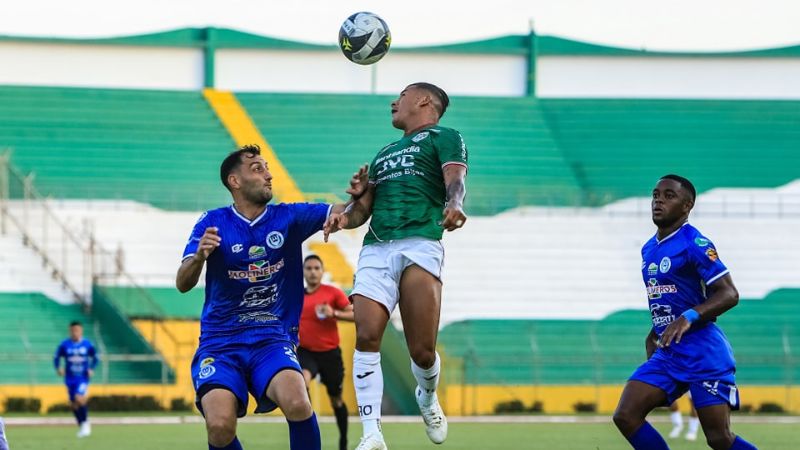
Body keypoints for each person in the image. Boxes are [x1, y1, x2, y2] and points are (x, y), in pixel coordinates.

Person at [176, 145, 366, 450]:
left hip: (271, 338)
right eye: (257, 168)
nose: (268, 174)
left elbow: (348, 216)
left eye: (267, 167)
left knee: (298, 401)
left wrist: (360, 199)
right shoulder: (212, 222)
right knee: (220, 426)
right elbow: (183, 282)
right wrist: (199, 257)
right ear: (234, 181)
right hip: (221, 342)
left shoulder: (289, 217)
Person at [324, 82, 468, 450]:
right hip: (377, 249)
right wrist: (347, 212)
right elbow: (360, 213)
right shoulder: (384, 153)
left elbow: (456, 179)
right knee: (367, 333)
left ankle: (427, 395)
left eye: (401, 96)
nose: (394, 101)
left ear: (423, 100)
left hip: (421, 242)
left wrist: (455, 204)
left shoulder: (444, 136)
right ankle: (372, 434)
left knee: (421, 351)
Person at [613, 175, 757, 450]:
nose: (658, 201)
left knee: (719, 439)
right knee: (626, 416)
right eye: (656, 195)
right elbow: (669, 296)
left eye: (669, 196)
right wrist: (654, 332)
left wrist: (688, 317)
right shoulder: (649, 249)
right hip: (669, 351)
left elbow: (729, 293)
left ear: (687, 205)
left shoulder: (695, 243)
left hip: (704, 354)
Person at [298, 254, 354, 450]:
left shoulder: (333, 293)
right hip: (305, 352)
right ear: (303, 272)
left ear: (322, 271)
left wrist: (334, 313)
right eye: (309, 268)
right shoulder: (296, 295)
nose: (312, 272)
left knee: (336, 400)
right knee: (301, 383)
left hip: (330, 353)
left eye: (316, 268)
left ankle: (343, 441)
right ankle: (307, 424)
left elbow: (355, 314)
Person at [53, 321, 98, 438]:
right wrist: (58, 368)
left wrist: (92, 368)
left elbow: (95, 357)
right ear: (70, 331)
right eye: (73, 330)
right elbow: (56, 357)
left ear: (81, 331)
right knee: (73, 404)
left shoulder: (87, 344)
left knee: (79, 398)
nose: (75, 332)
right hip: (69, 378)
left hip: (82, 377)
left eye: (77, 330)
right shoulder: (65, 344)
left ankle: (86, 423)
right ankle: (82, 424)